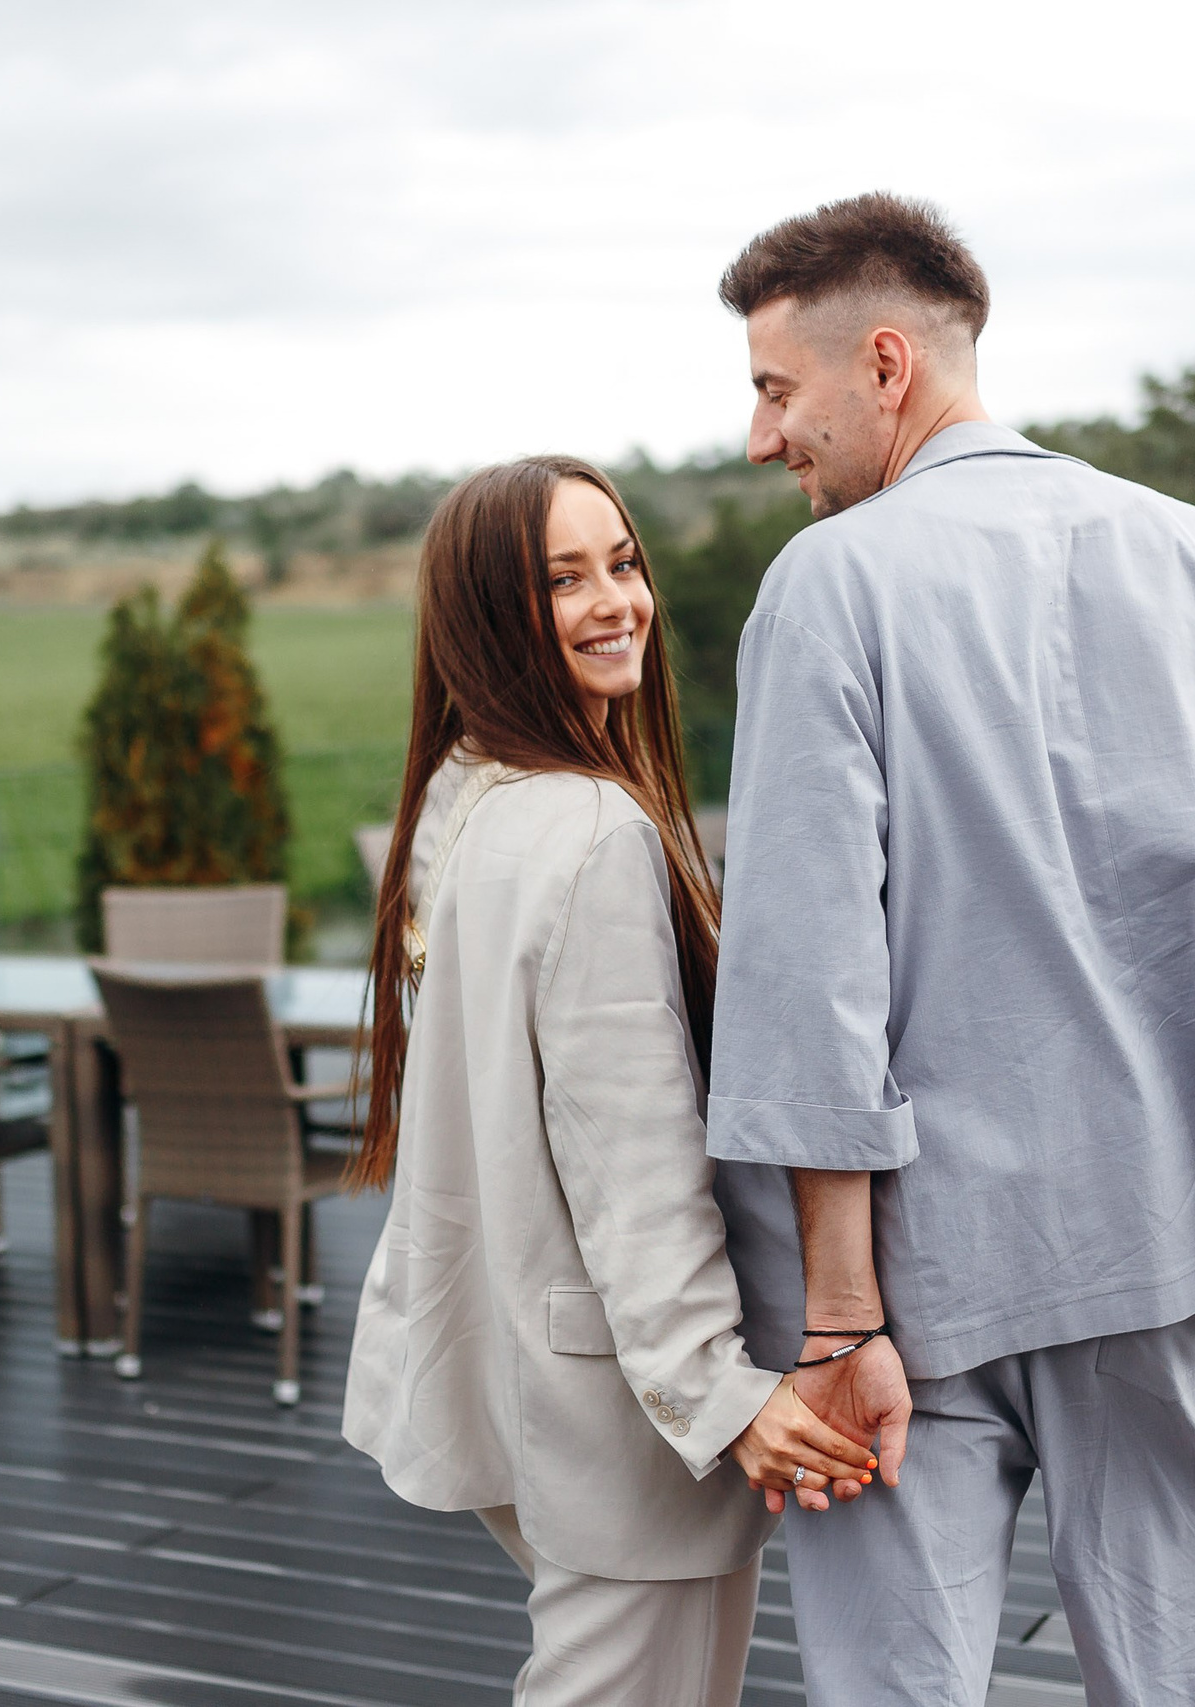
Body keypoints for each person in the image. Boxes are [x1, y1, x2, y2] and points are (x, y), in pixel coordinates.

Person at [702, 193, 1195, 1706]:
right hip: (1163, 1239)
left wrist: (836, 1319)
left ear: (884, 362)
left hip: (911, 1287)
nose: (763, 437)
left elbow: (807, 983)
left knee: (895, 1684)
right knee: (1184, 1675)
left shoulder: (827, 588)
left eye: (776, 389)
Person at [342, 455, 875, 1707]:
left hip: (497, 1361)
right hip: (620, 1410)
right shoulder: (593, 833)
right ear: (490, 616)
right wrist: (720, 1395)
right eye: (561, 581)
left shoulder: (461, 800)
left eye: (622, 564)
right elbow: (631, 1160)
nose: (614, 602)